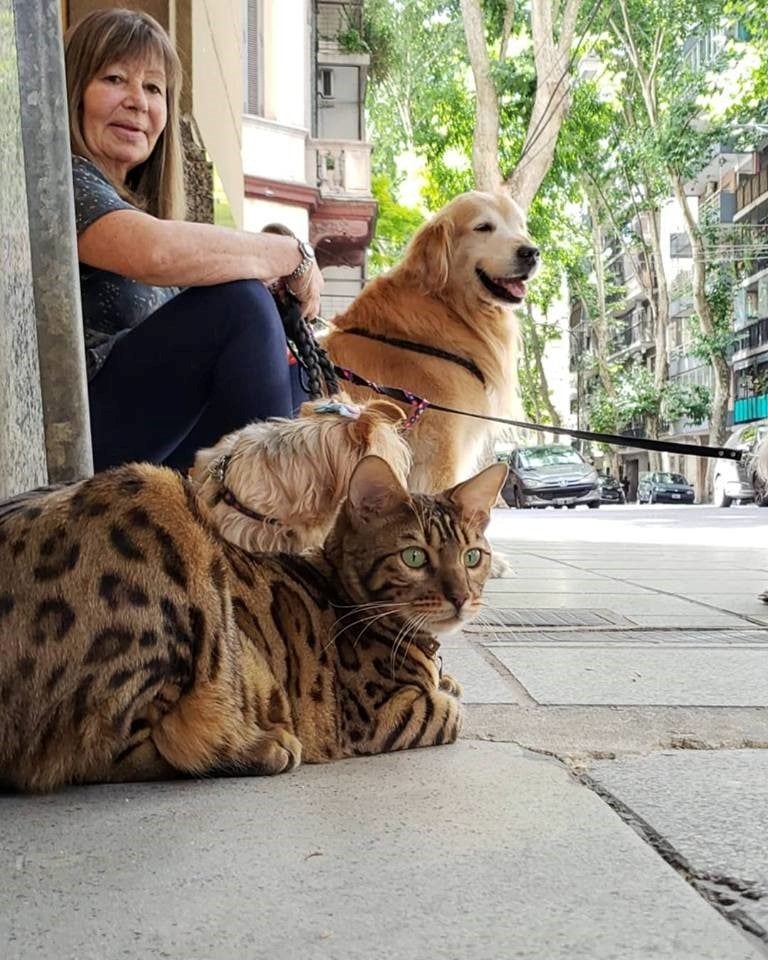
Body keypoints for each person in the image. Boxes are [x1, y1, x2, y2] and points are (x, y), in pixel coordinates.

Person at [64, 8, 324, 471]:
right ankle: (272, 517)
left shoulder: (137, 207)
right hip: (76, 435)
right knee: (242, 307)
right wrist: (290, 253)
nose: (137, 102)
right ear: (74, 93)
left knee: (292, 370)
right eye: (114, 79)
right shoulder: (65, 179)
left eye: (153, 88)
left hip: (143, 442)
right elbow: (155, 251)